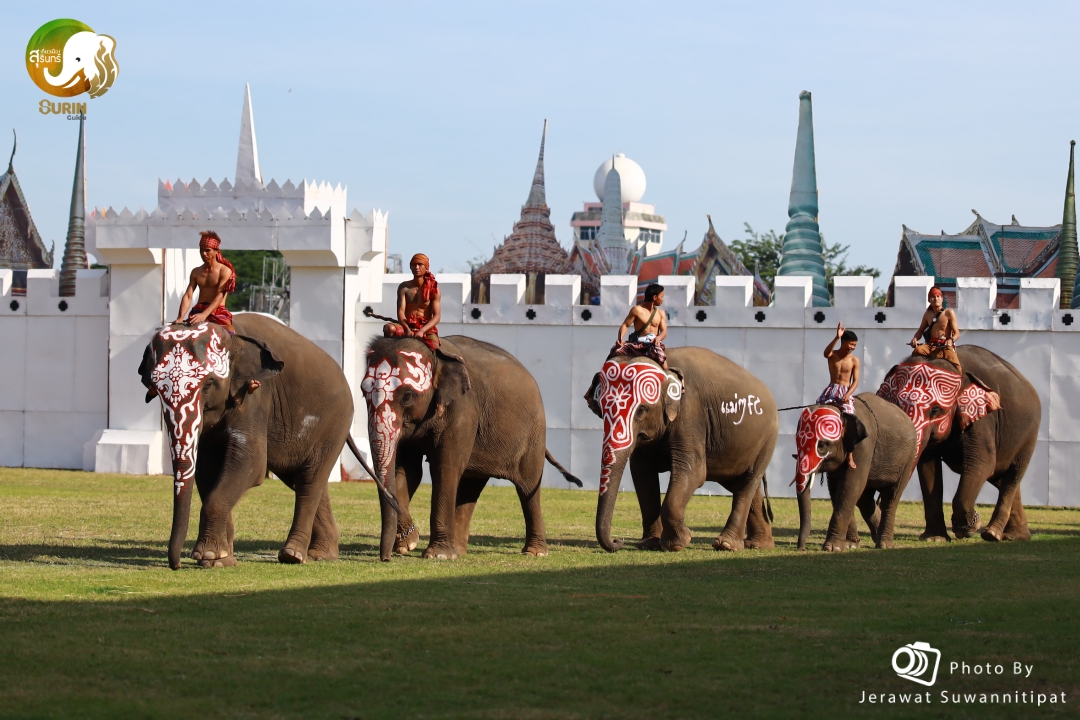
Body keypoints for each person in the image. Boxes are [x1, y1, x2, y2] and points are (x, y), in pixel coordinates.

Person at [175, 230, 237, 333]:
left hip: (218, 312)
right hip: (198, 310)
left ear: (216, 251)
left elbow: (220, 295)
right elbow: (188, 296)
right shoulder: (196, 272)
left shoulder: (225, 271)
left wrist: (204, 315)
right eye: (201, 250)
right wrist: (180, 318)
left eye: (207, 250)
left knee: (230, 335)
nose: (203, 254)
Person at [819, 322, 860, 468]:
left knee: (849, 422)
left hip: (845, 391)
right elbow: (825, 353)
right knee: (818, 416)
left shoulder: (854, 360)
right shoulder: (833, 355)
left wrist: (849, 394)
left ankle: (849, 456)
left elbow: (855, 381)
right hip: (831, 390)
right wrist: (837, 337)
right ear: (844, 342)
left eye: (854, 345)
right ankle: (815, 448)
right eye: (850, 344)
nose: (852, 347)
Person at [384, 253, 441, 350]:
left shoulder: (434, 290)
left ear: (426, 267)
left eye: (420, 264)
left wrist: (422, 331)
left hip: (425, 328)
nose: (416, 267)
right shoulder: (404, 287)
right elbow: (401, 311)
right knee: (389, 328)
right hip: (407, 325)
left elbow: (437, 316)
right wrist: (406, 329)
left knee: (433, 345)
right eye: (414, 265)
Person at [608, 283, 668, 369]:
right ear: (655, 297)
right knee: (615, 352)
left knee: (661, 357)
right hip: (637, 344)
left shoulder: (661, 313)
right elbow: (625, 325)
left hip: (652, 345)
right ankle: (601, 377)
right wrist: (620, 339)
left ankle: (668, 376)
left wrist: (658, 338)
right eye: (661, 297)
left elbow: (664, 331)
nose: (662, 299)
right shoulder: (637, 310)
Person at [909, 286, 961, 373]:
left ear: (942, 299)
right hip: (930, 346)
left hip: (944, 346)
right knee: (917, 351)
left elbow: (957, 333)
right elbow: (920, 331)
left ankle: (960, 383)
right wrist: (915, 339)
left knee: (957, 368)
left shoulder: (949, 313)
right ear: (929, 300)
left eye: (938, 296)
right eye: (933, 297)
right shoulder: (927, 314)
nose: (936, 299)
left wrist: (951, 341)